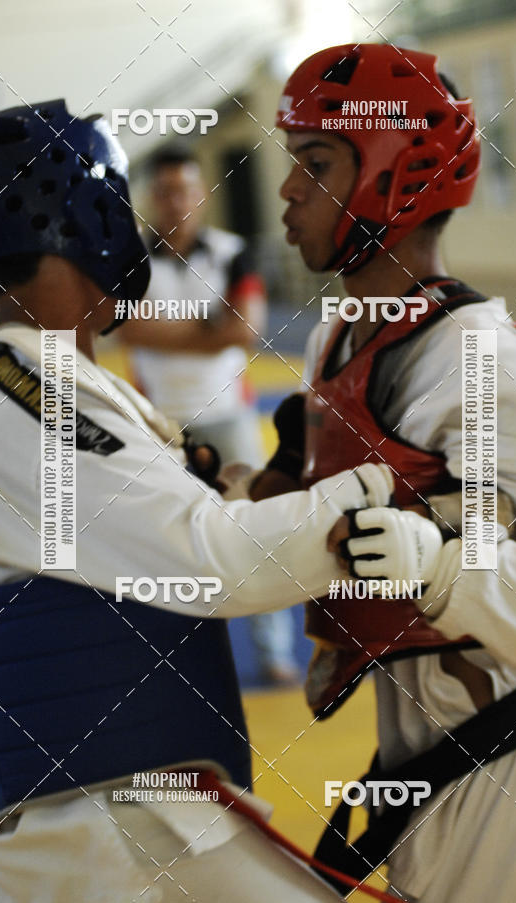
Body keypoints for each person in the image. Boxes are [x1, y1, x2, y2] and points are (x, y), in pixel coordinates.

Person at [0, 99, 442, 902]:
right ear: (85, 219)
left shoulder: (49, 379)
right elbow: (215, 559)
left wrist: (248, 483)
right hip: (90, 831)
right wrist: (386, 481)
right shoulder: (14, 386)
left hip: (132, 809)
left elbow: (157, 518)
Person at [257, 43, 516, 902]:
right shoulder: (346, 336)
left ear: (391, 175)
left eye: (313, 164)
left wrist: (437, 569)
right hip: (425, 746)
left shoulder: (475, 358)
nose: (286, 191)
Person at [122, 146, 299, 686]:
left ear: (201, 196)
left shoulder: (231, 253)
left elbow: (243, 330)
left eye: (186, 191)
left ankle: (274, 653)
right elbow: (125, 329)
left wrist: (165, 329)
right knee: (163, 542)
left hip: (229, 416)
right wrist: (206, 326)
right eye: (166, 192)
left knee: (254, 532)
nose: (177, 202)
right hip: (158, 425)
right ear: (152, 198)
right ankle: (178, 662)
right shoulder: (130, 263)